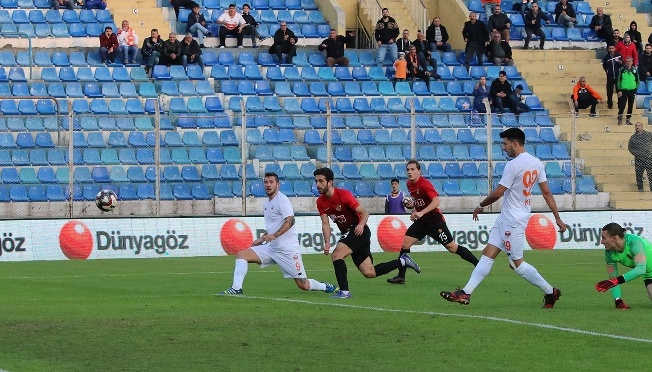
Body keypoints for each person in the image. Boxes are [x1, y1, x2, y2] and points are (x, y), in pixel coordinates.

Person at [440, 128, 567, 308]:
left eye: (505, 144)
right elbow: (546, 192)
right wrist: (558, 218)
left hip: (512, 221)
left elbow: (499, 192)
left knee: (516, 264)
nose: (504, 147)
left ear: (515, 143)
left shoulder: (514, 165)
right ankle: (466, 293)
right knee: (488, 254)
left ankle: (550, 292)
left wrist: (481, 205)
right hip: (507, 218)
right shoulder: (537, 163)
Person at [219, 172, 338, 295]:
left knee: (304, 285)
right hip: (271, 248)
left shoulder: (282, 200)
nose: (268, 185)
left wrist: (274, 235)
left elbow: (290, 221)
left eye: (271, 182)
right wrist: (262, 238)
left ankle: (324, 286)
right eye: (266, 182)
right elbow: (274, 226)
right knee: (242, 255)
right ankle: (236, 288)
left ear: (278, 185)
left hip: (287, 250)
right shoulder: (267, 204)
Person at [313, 167, 421, 299]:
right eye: (316, 181)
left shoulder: (343, 195)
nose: (318, 185)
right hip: (352, 234)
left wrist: (360, 224)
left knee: (337, 255)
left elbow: (364, 212)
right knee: (369, 272)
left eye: (321, 181)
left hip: (358, 230)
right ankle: (402, 261)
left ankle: (344, 292)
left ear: (330, 182)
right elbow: (325, 224)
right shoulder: (320, 202)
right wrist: (327, 242)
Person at [386, 160, 478, 285]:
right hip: (422, 222)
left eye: (412, 169)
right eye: (408, 169)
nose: (409, 172)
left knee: (452, 247)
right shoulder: (409, 184)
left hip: (435, 221)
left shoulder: (425, 184)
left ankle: (478, 264)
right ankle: (401, 276)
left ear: (419, 171)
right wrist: (414, 209)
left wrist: (421, 212)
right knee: (405, 244)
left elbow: (436, 202)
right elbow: (418, 200)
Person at [595, 222, 652, 309]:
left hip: (645, 272)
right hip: (649, 276)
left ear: (614, 238)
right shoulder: (609, 254)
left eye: (603, 238)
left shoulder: (634, 243)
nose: (601, 242)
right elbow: (613, 278)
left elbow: (641, 269)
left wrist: (617, 280)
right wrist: (618, 300)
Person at [628, 122, 652, 192]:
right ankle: (640, 189)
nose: (637, 127)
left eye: (638, 125)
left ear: (642, 126)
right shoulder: (633, 137)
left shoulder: (649, 134)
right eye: (636, 126)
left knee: (650, 174)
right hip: (639, 159)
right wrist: (636, 154)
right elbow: (630, 148)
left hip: (649, 158)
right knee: (639, 175)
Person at [616, 56, 639, 125]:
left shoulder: (635, 70)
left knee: (630, 105)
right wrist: (619, 90)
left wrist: (636, 89)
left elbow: (637, 80)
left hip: (632, 90)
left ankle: (628, 120)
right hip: (624, 90)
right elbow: (619, 81)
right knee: (622, 105)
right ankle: (620, 119)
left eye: (630, 61)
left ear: (632, 62)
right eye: (627, 61)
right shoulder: (622, 70)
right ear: (625, 62)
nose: (628, 63)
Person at [602, 44, 623, 109]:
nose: (611, 50)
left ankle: (620, 104)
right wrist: (607, 70)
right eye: (610, 48)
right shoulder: (606, 57)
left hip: (618, 76)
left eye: (612, 48)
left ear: (615, 49)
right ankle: (610, 104)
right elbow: (604, 66)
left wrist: (619, 62)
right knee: (609, 90)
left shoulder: (619, 55)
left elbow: (622, 64)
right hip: (610, 76)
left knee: (619, 90)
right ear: (608, 49)